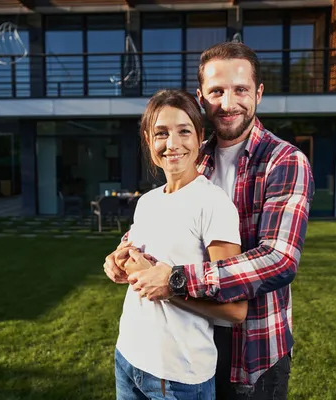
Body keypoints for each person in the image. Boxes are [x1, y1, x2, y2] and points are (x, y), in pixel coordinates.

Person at [105, 42, 315, 399]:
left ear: (259, 93)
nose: (229, 103)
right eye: (217, 91)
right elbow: (169, 217)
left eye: (241, 90)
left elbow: (279, 258)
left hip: (253, 346)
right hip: (191, 334)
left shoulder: (285, 161)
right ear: (202, 98)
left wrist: (175, 280)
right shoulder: (193, 151)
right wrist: (122, 251)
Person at [114, 88, 250, 400]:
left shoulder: (214, 205)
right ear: (149, 142)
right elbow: (139, 259)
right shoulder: (148, 201)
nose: (172, 144)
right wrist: (117, 259)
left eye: (184, 131)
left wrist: (170, 291)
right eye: (161, 133)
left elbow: (236, 309)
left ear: (200, 137)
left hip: (178, 377)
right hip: (128, 357)